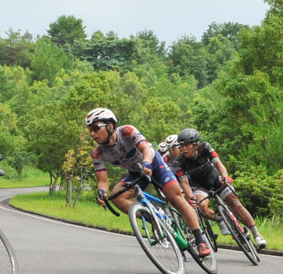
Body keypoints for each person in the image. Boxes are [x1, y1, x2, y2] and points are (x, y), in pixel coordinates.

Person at [85, 108, 212, 258]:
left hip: (153, 163)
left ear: (110, 126)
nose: (92, 134)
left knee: (176, 198)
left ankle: (200, 240)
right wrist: (102, 192)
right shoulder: (97, 153)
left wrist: (146, 163)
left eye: (95, 128)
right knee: (117, 197)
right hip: (135, 172)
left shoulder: (126, 131)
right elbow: (103, 180)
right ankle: (154, 219)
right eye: (89, 130)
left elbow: (146, 148)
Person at [168, 127, 267, 250]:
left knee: (235, 203)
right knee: (202, 207)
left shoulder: (205, 147)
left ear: (196, 144)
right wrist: (191, 197)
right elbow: (185, 183)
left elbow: (218, 164)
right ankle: (220, 220)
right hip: (200, 186)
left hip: (215, 179)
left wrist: (225, 177)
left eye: (187, 145)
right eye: (181, 146)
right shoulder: (179, 162)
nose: (183, 149)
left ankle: (257, 235)